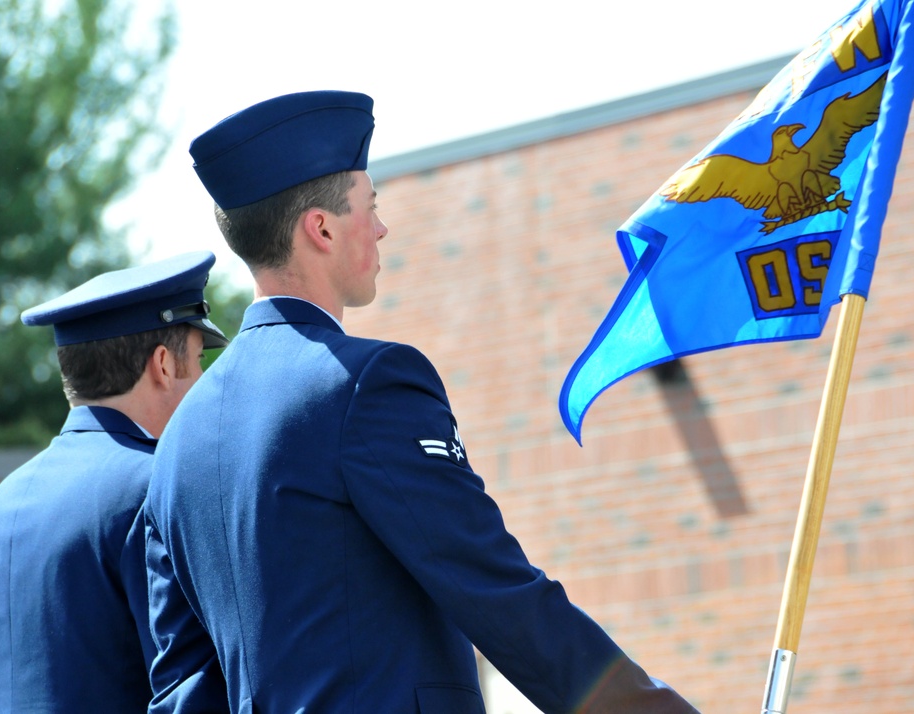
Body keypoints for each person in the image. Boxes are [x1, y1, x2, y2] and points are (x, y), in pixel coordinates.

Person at [145, 91, 699, 713]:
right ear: (321, 228)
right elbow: (497, 592)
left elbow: (181, 688)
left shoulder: (176, 441)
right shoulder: (369, 383)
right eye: (370, 207)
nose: (380, 227)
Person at [0, 251, 228, 713]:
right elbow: (193, 692)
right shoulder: (156, 488)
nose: (203, 378)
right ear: (163, 364)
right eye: (198, 358)